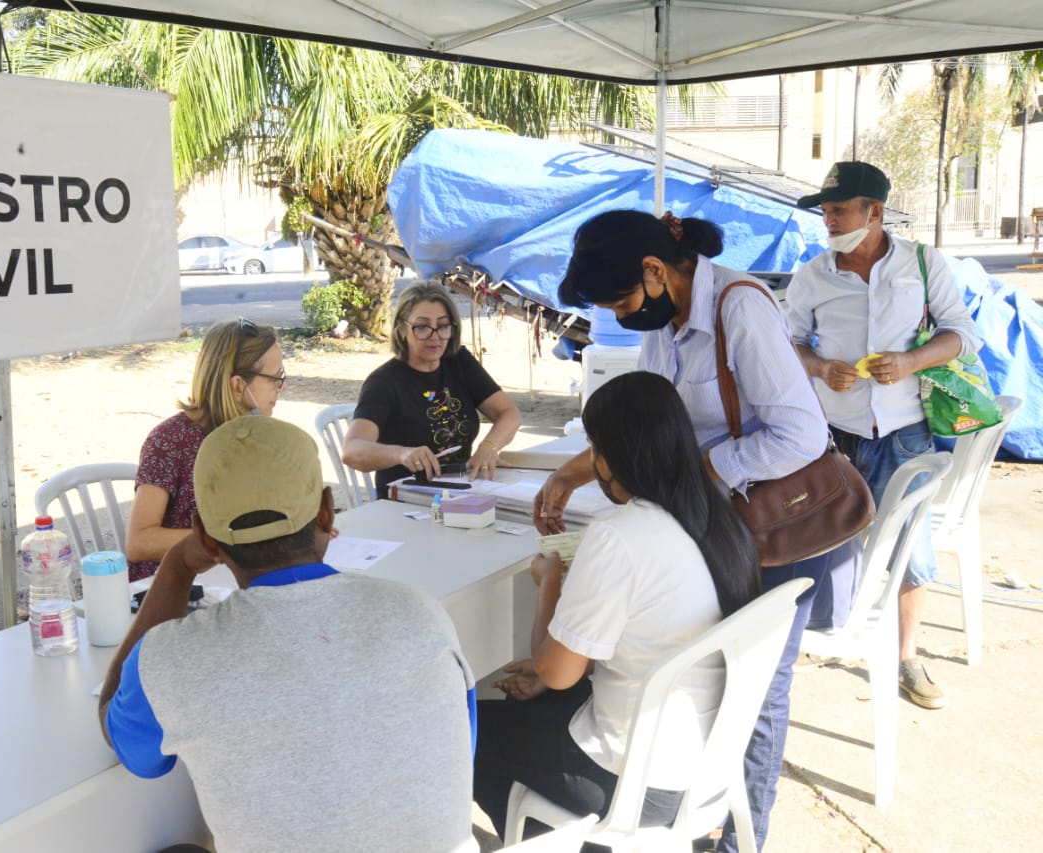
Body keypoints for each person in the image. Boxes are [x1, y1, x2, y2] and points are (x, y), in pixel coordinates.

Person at [533, 209, 857, 852]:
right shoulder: (669, 320)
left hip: (780, 525)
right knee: (701, 668)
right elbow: (656, 417)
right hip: (725, 521)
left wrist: (698, 467)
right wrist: (579, 468)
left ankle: (740, 842)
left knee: (755, 690)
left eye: (623, 301)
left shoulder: (741, 307)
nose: (622, 317)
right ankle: (686, 808)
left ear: (655, 270)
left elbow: (800, 434)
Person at [99, 416, 479, 852]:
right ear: (326, 511)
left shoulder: (172, 657)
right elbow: (453, 757)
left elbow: (131, 747)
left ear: (203, 534)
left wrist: (176, 566)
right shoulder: (421, 613)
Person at [474, 371, 761, 842]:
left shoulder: (619, 536)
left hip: (635, 781)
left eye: (595, 447)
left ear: (615, 457)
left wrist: (548, 582)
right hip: (704, 766)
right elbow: (649, 639)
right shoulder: (720, 520)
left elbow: (555, 672)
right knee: (534, 706)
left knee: (466, 732)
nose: (593, 462)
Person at [787, 160, 981, 710]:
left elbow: (964, 336)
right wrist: (822, 368)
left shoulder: (923, 263)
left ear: (874, 212)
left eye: (839, 209)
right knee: (823, 540)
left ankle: (906, 657)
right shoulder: (813, 276)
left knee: (911, 551)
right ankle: (824, 633)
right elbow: (789, 343)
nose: (829, 220)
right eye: (825, 210)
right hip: (835, 435)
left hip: (904, 433)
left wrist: (912, 360)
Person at [124, 317, 285, 581]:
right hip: (174, 590)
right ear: (237, 385)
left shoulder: (258, 434)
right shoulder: (170, 440)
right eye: (274, 378)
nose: (282, 387)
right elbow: (139, 543)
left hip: (235, 579)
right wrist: (230, 542)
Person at [343, 280, 521, 498]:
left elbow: (509, 414)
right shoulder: (384, 382)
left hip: (461, 489)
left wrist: (489, 447)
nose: (435, 336)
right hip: (405, 500)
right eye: (422, 327)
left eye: (443, 326)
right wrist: (401, 454)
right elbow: (352, 450)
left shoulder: (458, 362)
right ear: (401, 330)